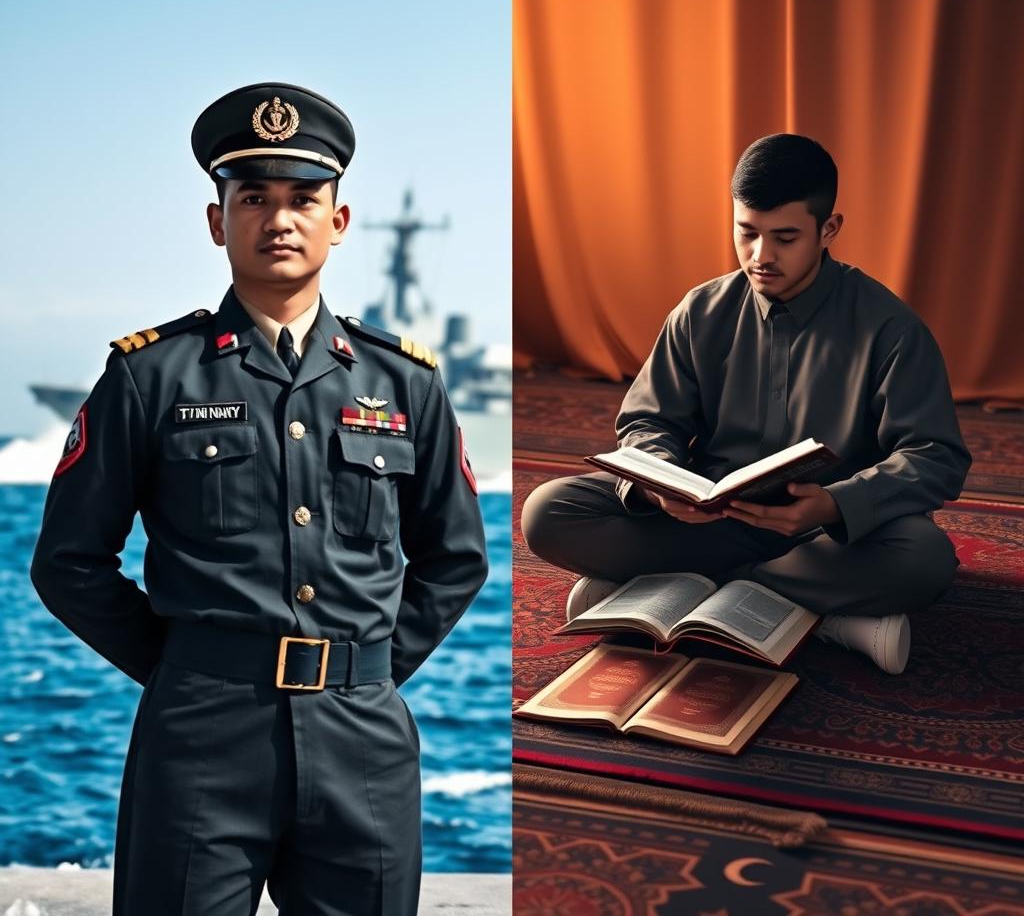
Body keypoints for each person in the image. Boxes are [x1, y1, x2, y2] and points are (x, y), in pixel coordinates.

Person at [30, 82, 488, 915]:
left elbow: (456, 558)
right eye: (254, 198)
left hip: (364, 745)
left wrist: (368, 670)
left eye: (303, 199)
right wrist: (183, 667)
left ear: (338, 222)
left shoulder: (406, 384)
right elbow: (67, 563)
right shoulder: (149, 376)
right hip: (202, 740)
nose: (280, 219)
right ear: (218, 221)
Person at [521, 133, 970, 676]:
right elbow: (648, 419)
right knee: (547, 511)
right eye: (747, 233)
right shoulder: (702, 310)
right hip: (707, 520)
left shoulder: (890, 328)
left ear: (828, 229)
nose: (761, 256)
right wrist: (661, 482)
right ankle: (817, 611)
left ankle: (666, 588)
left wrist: (834, 505)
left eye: (784, 238)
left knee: (923, 559)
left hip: (824, 533)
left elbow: (933, 455)